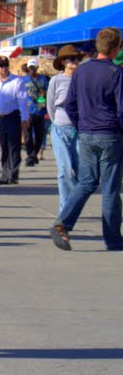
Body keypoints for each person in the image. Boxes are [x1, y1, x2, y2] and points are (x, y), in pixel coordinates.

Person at [50, 28, 123, 251]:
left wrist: (81, 124)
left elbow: (70, 104)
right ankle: (112, 239)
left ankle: (62, 223)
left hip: (87, 133)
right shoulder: (116, 72)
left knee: (86, 182)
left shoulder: (81, 71)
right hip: (110, 133)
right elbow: (121, 109)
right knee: (110, 188)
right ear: (115, 48)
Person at [47, 45, 83, 216]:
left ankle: (74, 204)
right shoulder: (56, 80)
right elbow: (50, 105)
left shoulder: (82, 79)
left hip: (79, 130)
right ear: (63, 61)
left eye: (76, 58)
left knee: (81, 171)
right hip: (60, 128)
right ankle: (65, 209)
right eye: (70, 58)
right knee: (65, 169)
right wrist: (57, 123)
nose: (74, 62)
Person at [0, 56, 29, 185]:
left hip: (12, 116)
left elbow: (23, 101)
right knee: (4, 147)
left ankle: (13, 174)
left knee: (14, 146)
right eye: (1, 66)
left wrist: (25, 118)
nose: (3, 69)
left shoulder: (17, 81)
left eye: (5, 66)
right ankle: (4, 174)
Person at [22, 57, 49, 166]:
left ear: (37, 68)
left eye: (34, 68)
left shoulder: (43, 79)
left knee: (39, 136)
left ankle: (34, 154)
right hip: (28, 111)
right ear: (28, 69)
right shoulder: (24, 80)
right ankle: (30, 155)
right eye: (30, 68)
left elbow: (47, 92)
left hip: (40, 110)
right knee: (28, 136)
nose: (32, 70)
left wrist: (44, 95)